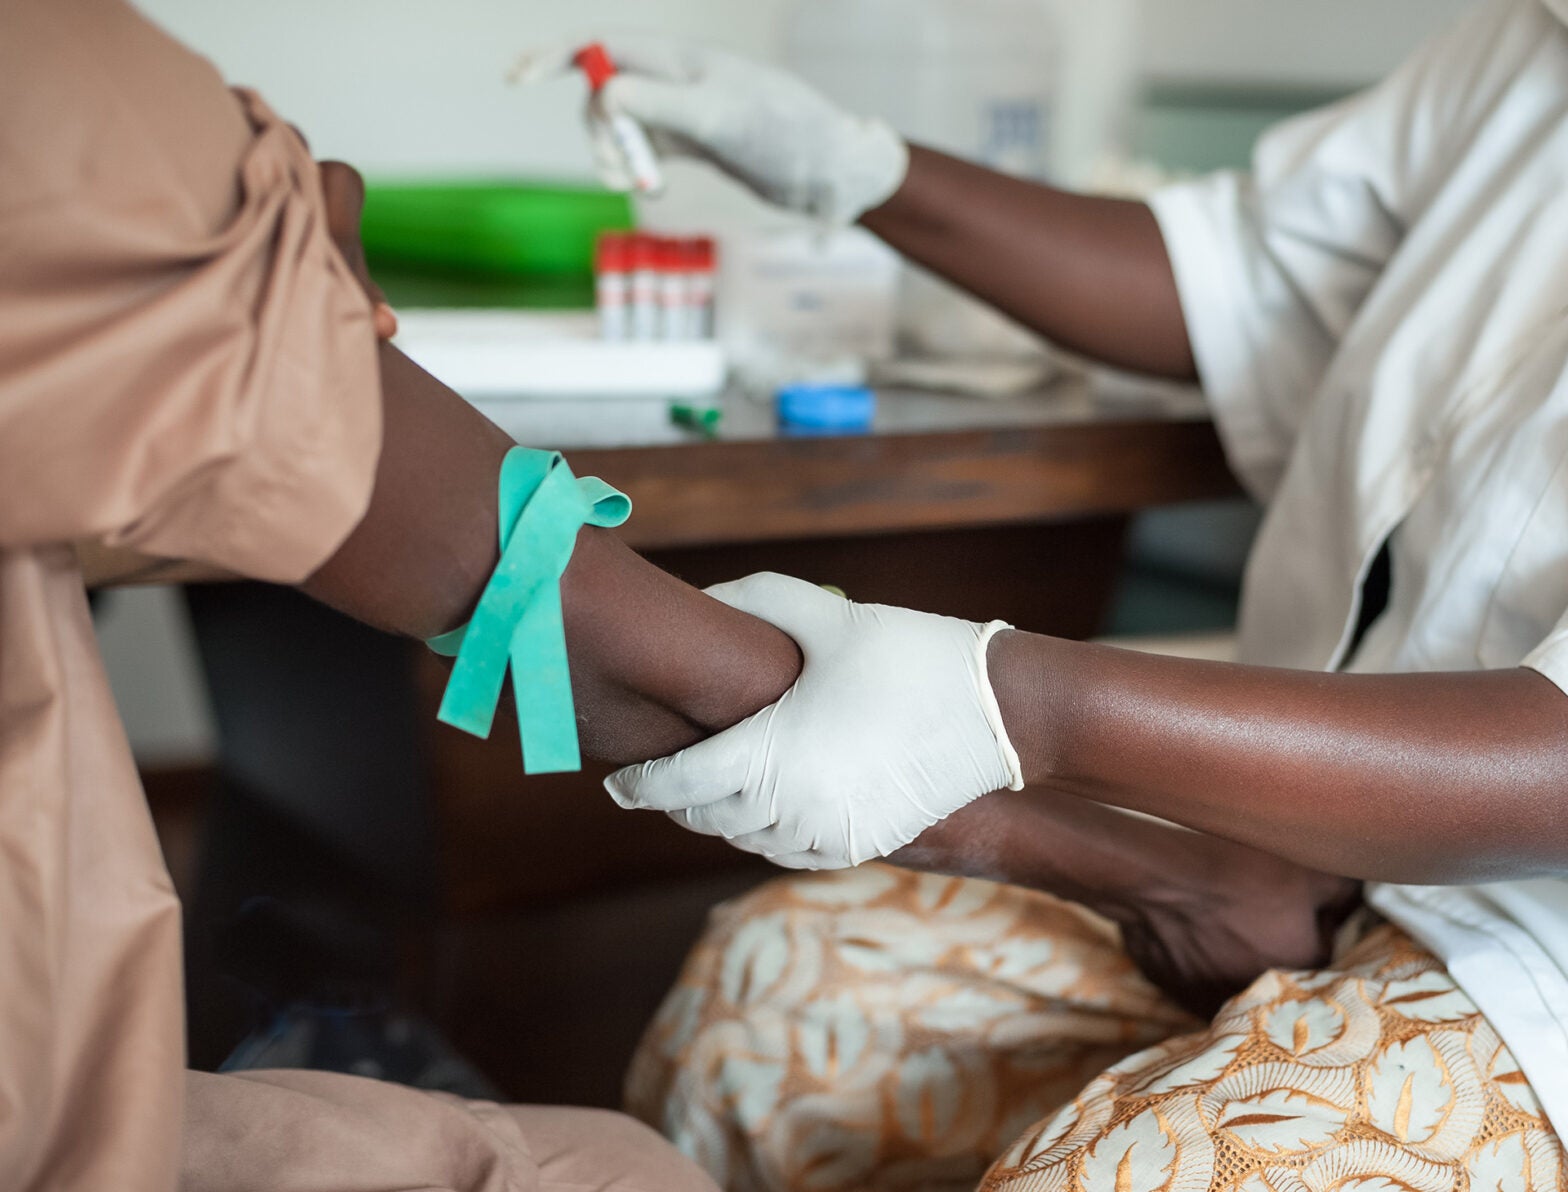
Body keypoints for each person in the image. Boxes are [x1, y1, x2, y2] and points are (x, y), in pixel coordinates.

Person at [531, 2, 1568, 1189]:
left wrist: (1008, 702)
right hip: (1291, 846)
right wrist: (861, 167)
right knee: (765, 1013)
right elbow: (1249, 279)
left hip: (1535, 966)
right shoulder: (1531, 46)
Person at [0, 1, 813, 1189]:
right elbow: (558, 616)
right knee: (630, 1170)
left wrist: (298, 341)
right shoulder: (63, 86)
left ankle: (324, 1017)